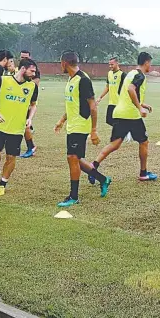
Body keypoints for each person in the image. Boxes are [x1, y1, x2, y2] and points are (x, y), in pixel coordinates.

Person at [54, 51, 111, 207]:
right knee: (77, 159)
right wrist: (61, 120)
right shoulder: (71, 80)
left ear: (64, 63)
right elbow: (72, 105)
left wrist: (94, 130)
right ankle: (103, 179)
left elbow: (92, 106)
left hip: (81, 125)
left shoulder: (83, 80)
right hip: (72, 126)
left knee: (72, 158)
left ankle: (74, 196)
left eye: (61, 63)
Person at [89, 52, 157, 181]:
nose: (150, 66)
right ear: (147, 62)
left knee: (115, 144)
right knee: (144, 141)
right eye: (150, 63)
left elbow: (128, 94)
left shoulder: (130, 73)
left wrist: (143, 104)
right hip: (131, 115)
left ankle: (92, 166)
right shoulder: (140, 75)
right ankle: (143, 173)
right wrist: (139, 108)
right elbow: (131, 89)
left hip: (119, 112)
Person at [0, 59, 38, 196]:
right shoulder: (3, 80)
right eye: (32, 71)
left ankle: (3, 183)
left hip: (17, 128)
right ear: (23, 68)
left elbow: (33, 104)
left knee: (11, 157)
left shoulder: (32, 87)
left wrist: (30, 118)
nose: (34, 74)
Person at [19, 50, 41, 158]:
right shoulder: (19, 67)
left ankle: (31, 147)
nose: (24, 59)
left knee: (24, 126)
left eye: (26, 57)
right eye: (22, 57)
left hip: (26, 102)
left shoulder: (33, 68)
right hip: (17, 102)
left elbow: (34, 85)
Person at [95, 57, 126, 126]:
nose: (110, 66)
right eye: (109, 64)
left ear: (117, 63)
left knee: (117, 121)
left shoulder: (122, 75)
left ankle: (123, 132)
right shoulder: (109, 73)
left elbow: (127, 89)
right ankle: (124, 131)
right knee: (109, 120)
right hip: (111, 102)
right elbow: (107, 87)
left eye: (112, 64)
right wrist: (100, 97)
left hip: (119, 103)